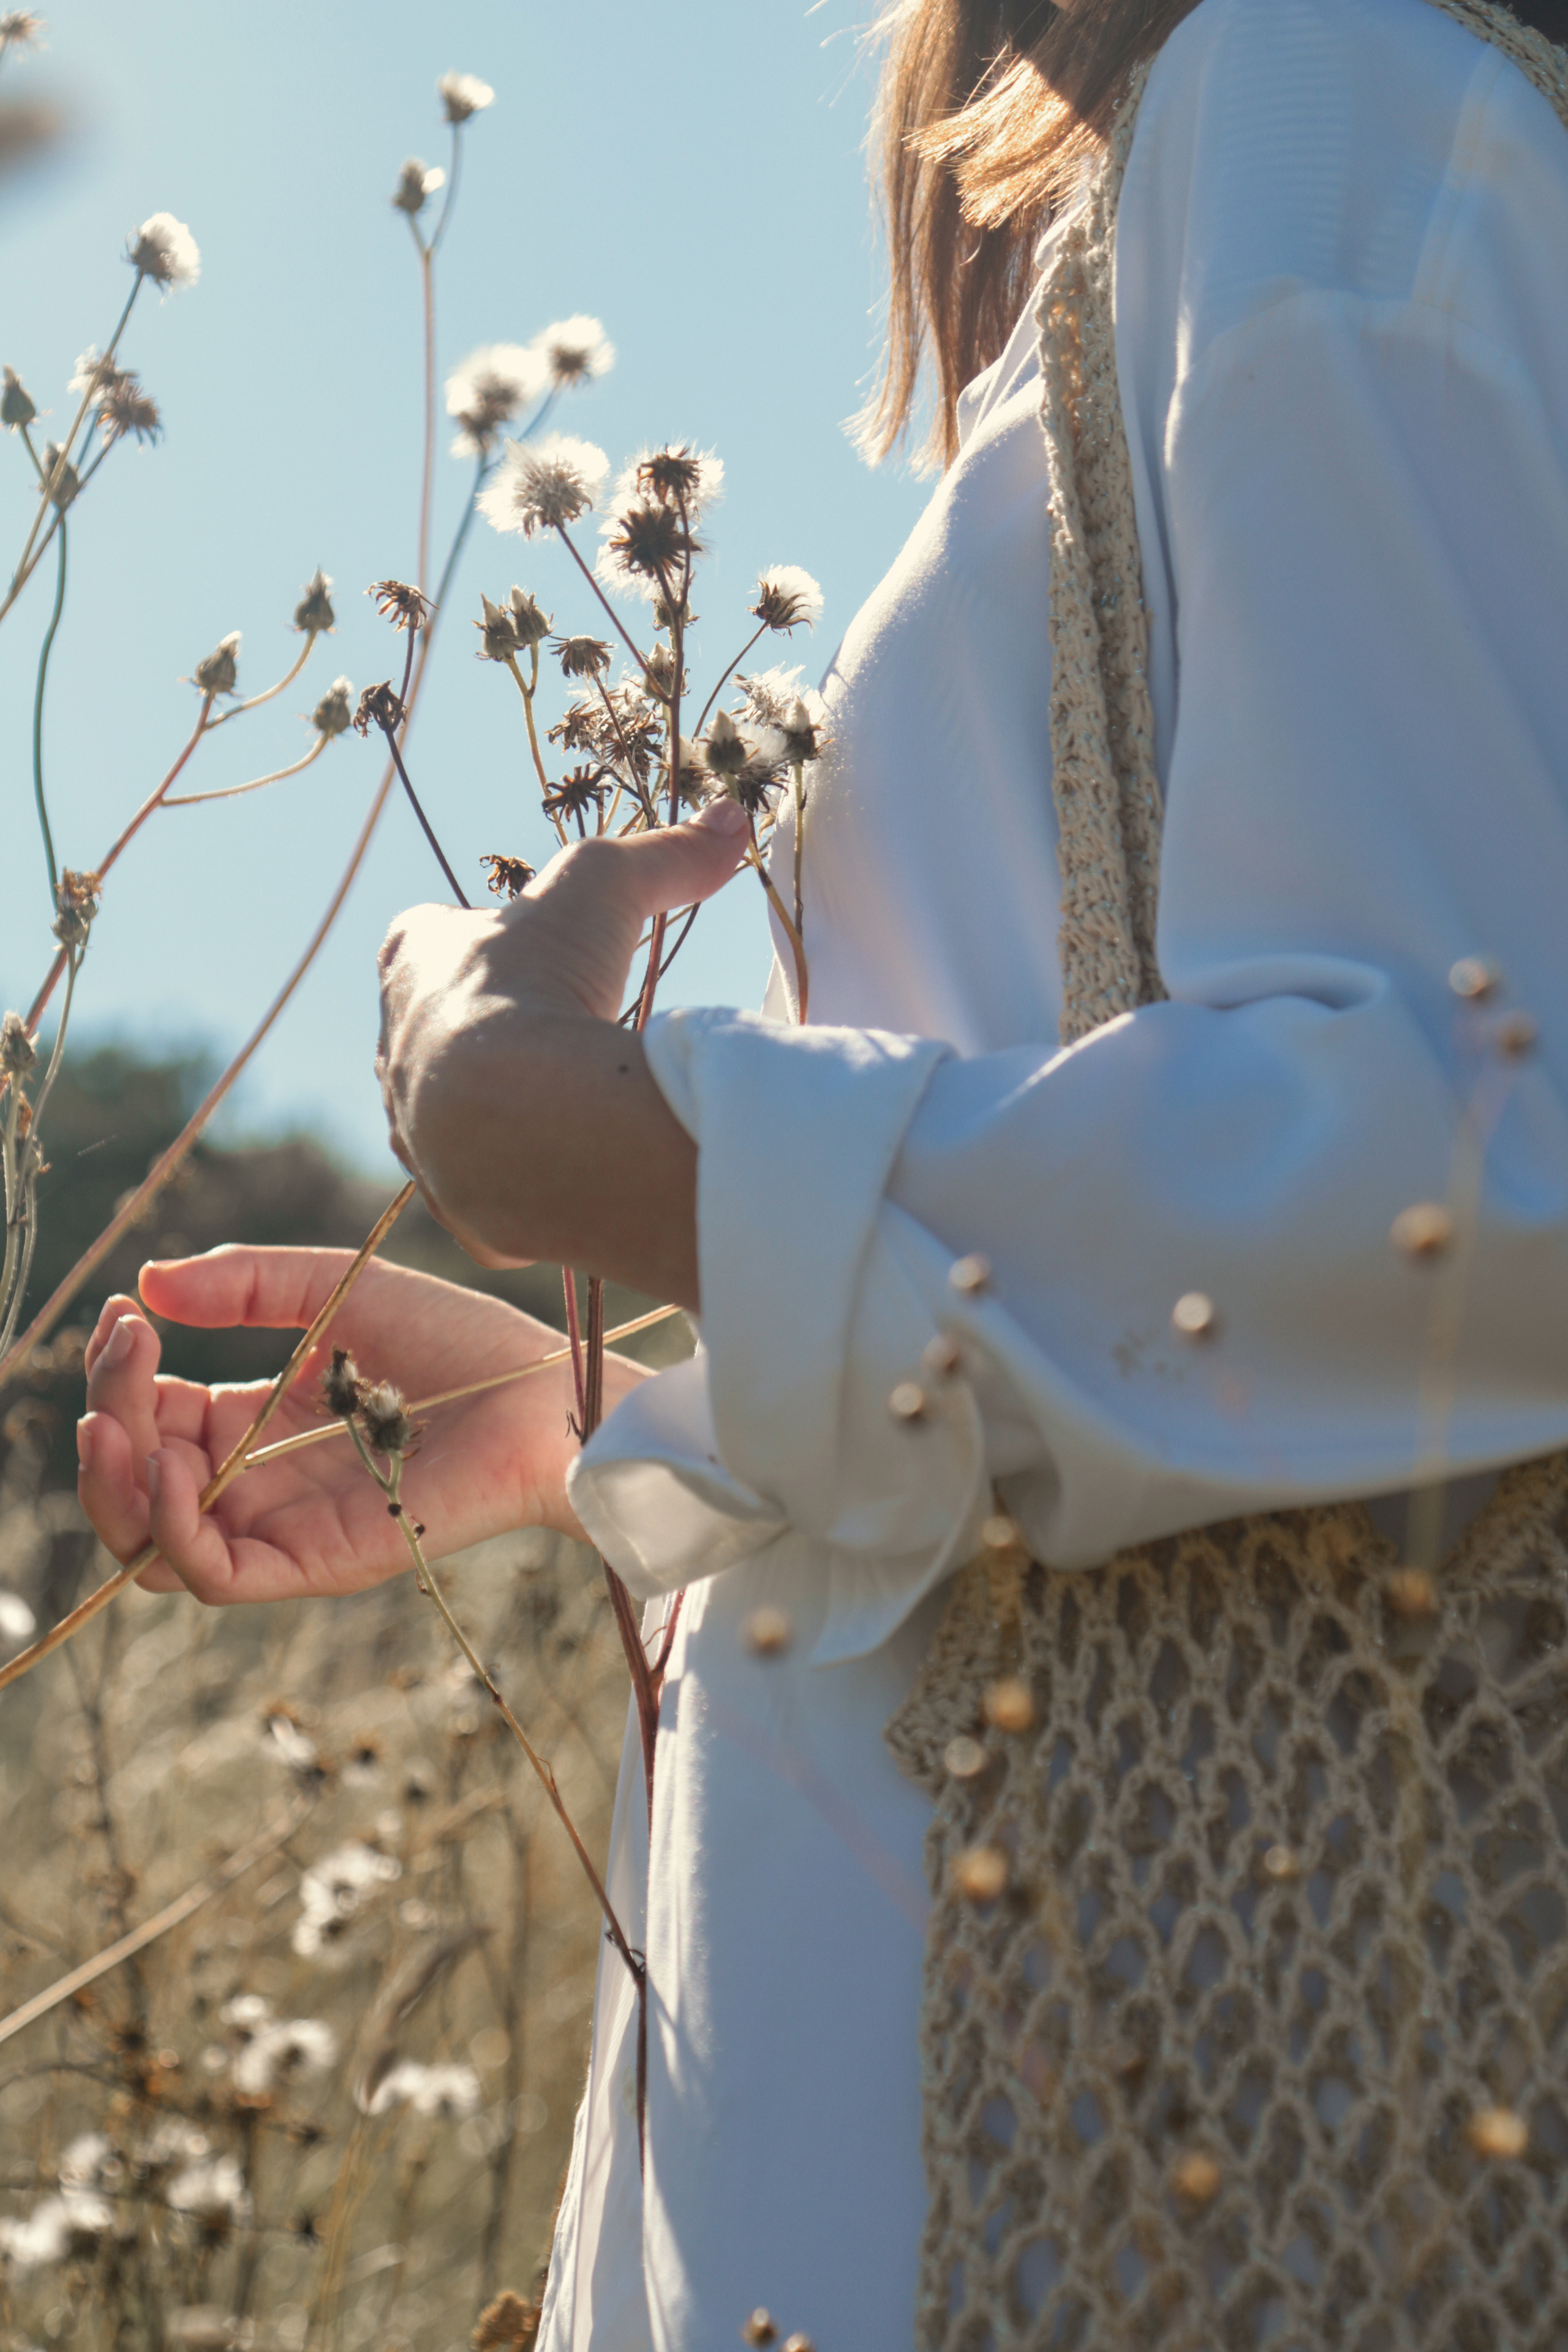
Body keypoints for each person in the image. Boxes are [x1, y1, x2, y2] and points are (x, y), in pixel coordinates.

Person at [78, 0, 1568, 2341]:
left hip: (1091, 2145)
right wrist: (645, 1398)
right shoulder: (1202, 159)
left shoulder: (1327, 84)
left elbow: (1496, 1148)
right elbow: (1234, 1245)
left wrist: (578, 1136)